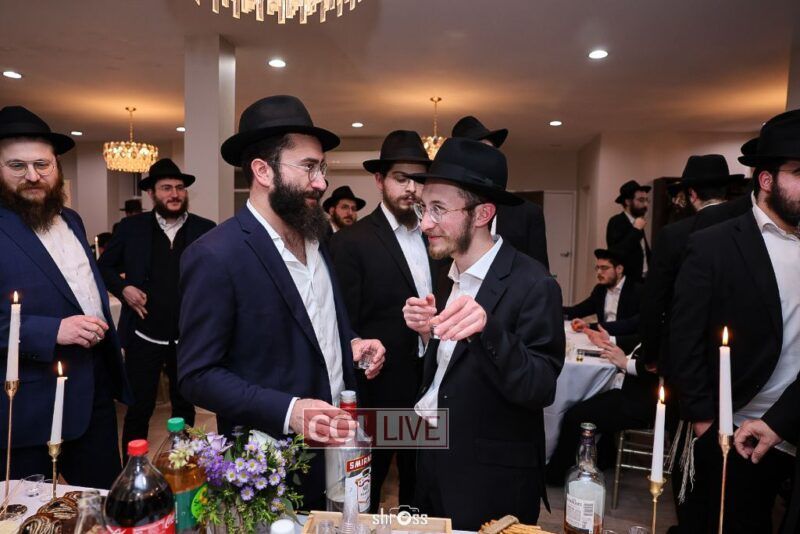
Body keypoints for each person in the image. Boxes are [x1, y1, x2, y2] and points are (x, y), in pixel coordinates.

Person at [177, 95, 386, 510]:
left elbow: (316, 320)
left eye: (321, 168)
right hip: (270, 467)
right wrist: (290, 411)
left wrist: (351, 342)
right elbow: (197, 375)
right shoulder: (216, 255)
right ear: (263, 171)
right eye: (308, 167)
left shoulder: (318, 237)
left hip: (339, 442)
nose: (320, 182)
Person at [402, 137, 565, 529]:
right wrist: (427, 335)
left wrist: (487, 330)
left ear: (482, 214)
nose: (425, 223)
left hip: (489, 482)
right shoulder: (446, 275)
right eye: (424, 208)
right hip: (431, 457)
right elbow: (449, 372)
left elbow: (541, 386)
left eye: (438, 209)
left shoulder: (534, 283)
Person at [669, 110, 800, 533]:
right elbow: (684, 337)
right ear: (766, 179)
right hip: (735, 429)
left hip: (792, 423)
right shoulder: (715, 244)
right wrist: (706, 424)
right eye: (799, 173)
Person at [0, 105, 131, 488]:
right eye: (17, 166)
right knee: (34, 509)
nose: (32, 176)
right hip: (29, 408)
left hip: (94, 394)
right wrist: (52, 330)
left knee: (100, 501)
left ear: (56, 166)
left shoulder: (71, 219)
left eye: (42, 164)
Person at [329, 129, 440, 510]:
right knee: (367, 485)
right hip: (379, 389)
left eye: (419, 179)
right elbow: (343, 322)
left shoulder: (437, 237)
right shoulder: (351, 242)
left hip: (432, 384)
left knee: (422, 484)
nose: (411, 188)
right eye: (401, 178)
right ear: (379, 180)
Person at [98, 158, 215, 456]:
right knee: (139, 408)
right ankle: (131, 472)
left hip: (188, 337)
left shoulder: (205, 229)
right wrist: (123, 289)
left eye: (179, 188)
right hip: (143, 335)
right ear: (152, 193)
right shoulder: (131, 228)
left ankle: (184, 464)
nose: (174, 194)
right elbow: (104, 267)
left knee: (185, 407)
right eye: (166, 188)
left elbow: (218, 277)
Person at [639, 154, 745, 377]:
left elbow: (654, 300)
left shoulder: (673, 234)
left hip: (684, 348)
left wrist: (651, 353)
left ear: (692, 194)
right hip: (740, 347)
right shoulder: (747, 229)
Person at [545, 339, 657, 484]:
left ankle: (556, 474)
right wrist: (612, 342)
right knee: (587, 399)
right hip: (629, 390)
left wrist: (625, 363)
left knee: (575, 417)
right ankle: (604, 455)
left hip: (641, 403)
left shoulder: (670, 335)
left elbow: (659, 368)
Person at [451, 115, 549, 269]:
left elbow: (540, 274)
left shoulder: (527, 213)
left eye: (490, 152)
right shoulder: (443, 215)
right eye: (478, 153)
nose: (487, 160)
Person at [563, 248, 641, 337]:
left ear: (619, 269)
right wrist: (553, 308)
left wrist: (590, 326)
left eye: (604, 268)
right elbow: (578, 310)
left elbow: (629, 325)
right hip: (601, 338)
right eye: (597, 268)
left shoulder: (637, 291)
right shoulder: (600, 289)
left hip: (624, 341)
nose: (599, 272)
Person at [606, 179, 651, 282]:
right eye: (641, 200)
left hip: (644, 280)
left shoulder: (638, 221)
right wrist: (636, 230)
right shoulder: (616, 222)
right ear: (627, 202)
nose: (646, 205)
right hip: (627, 282)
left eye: (646, 200)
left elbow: (643, 252)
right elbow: (616, 253)